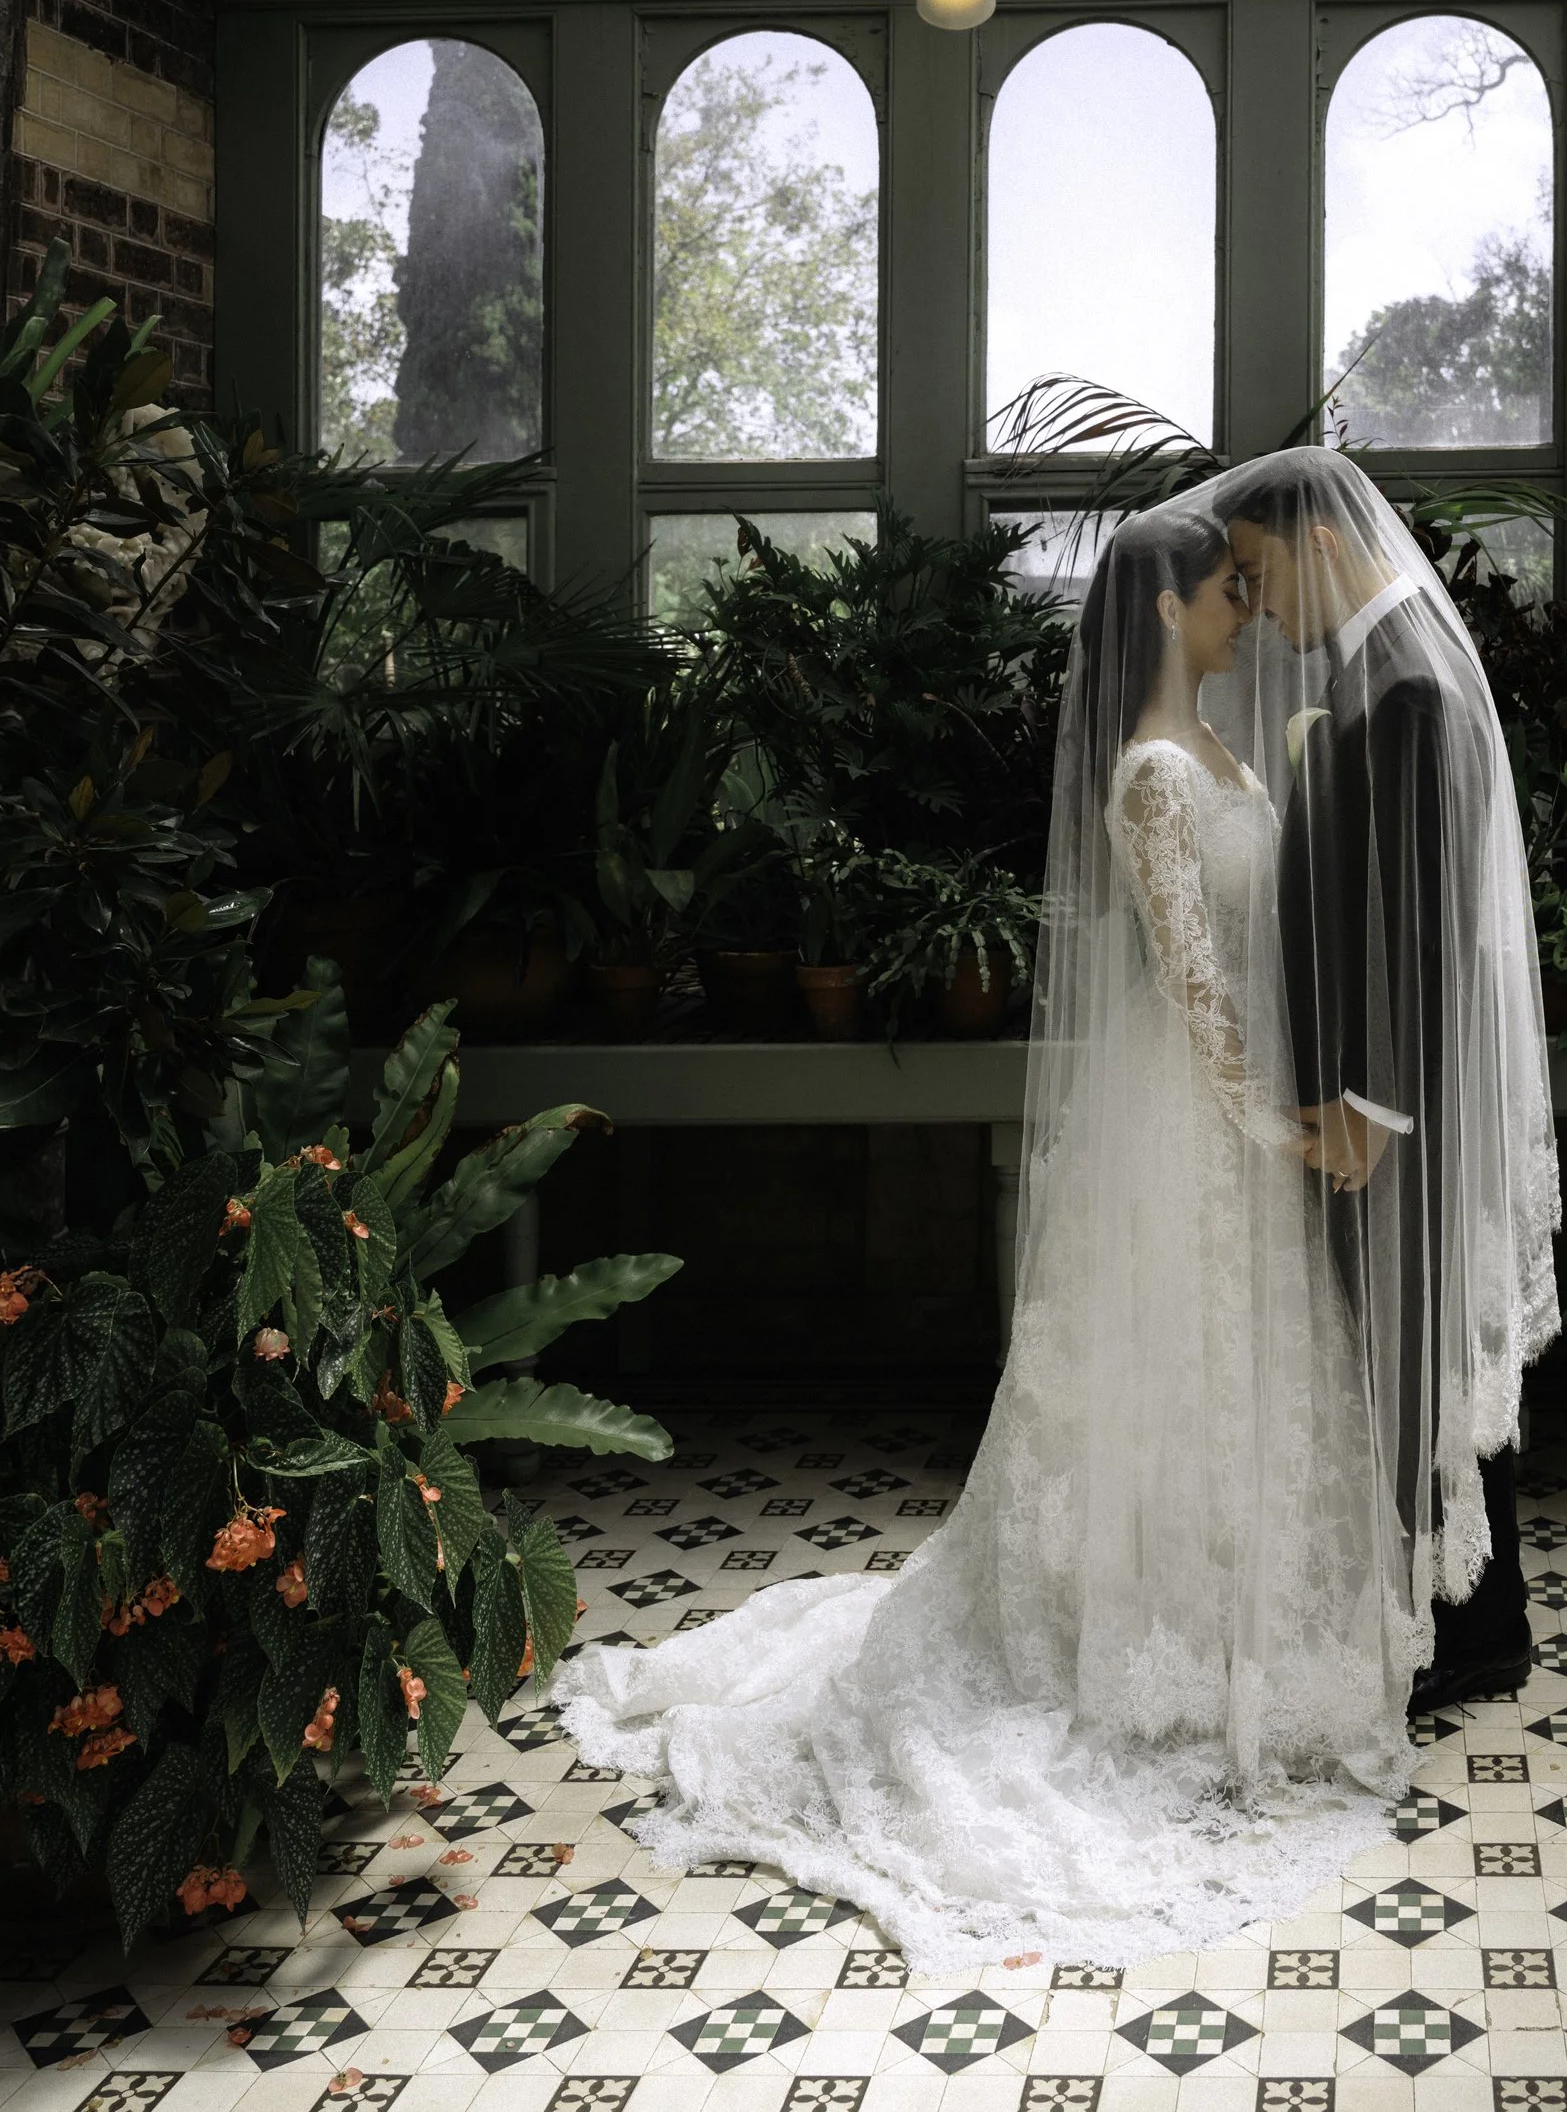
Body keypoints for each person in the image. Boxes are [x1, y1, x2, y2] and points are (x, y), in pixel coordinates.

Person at [561, 504, 1413, 1976]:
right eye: (1227, 587)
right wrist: (1269, 1123)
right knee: (1167, 1371)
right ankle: (1137, 1644)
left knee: (1239, 1371)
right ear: (1161, 611)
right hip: (1187, 1120)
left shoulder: (1224, 749)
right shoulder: (1155, 773)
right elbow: (1195, 983)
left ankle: (1244, 1639)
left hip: (1242, 1111)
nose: (1244, 604)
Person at [1214, 447, 1560, 1717]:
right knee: (1420, 1350)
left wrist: (1373, 1103)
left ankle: (1475, 1633)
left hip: (1396, 1102)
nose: (1257, 608)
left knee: (1421, 1350)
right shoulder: (1387, 663)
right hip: (1388, 1090)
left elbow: (1423, 920)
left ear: (1316, 540)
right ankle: (1464, 1612)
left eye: (1258, 573)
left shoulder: (1403, 683)